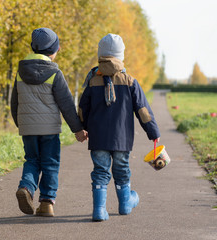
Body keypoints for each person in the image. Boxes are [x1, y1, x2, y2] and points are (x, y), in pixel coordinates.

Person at [78, 33, 160, 221]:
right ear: (120, 56)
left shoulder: (92, 81)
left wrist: (81, 128)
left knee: (100, 171)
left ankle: (99, 210)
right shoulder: (130, 81)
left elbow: (83, 109)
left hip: (98, 139)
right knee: (122, 170)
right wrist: (153, 132)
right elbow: (143, 111)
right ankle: (125, 204)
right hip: (122, 139)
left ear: (101, 55)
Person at [11, 27, 86, 217]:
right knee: (50, 163)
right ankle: (46, 203)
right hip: (49, 129)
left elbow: (14, 102)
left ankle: (26, 188)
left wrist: (21, 123)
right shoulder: (54, 73)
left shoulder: (20, 72)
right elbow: (67, 105)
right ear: (53, 49)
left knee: (32, 160)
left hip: (28, 128)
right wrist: (78, 129)